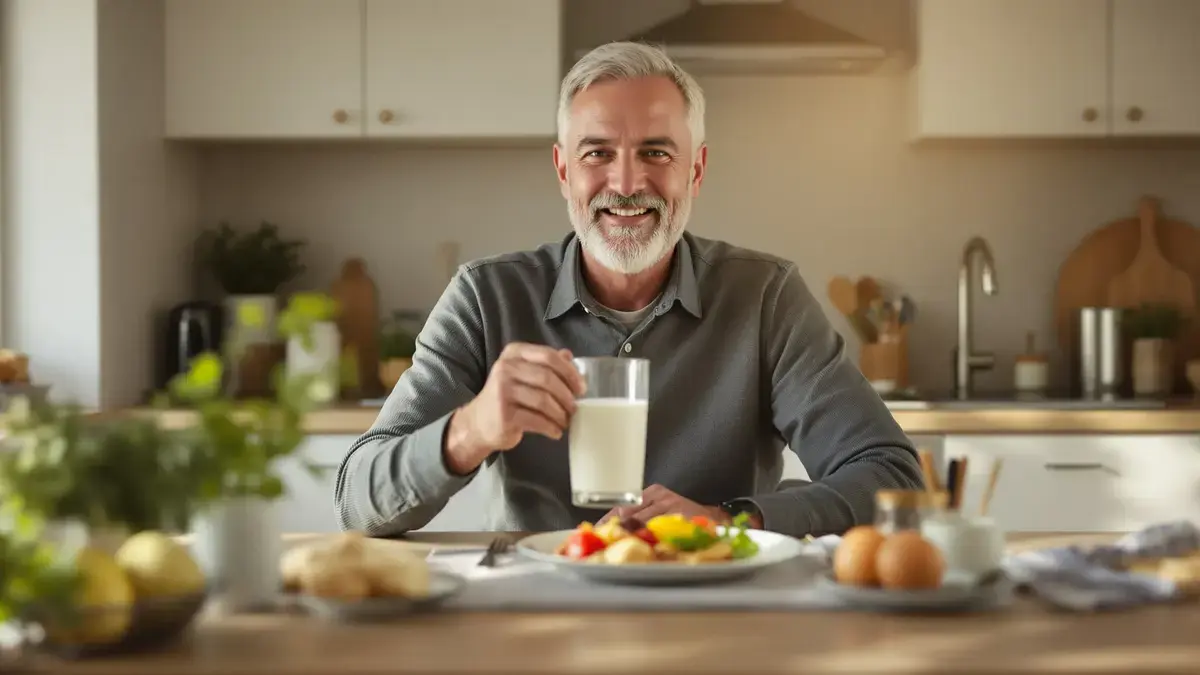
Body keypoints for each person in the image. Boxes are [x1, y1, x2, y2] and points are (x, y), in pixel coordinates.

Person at [334, 41, 924, 539]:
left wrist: (726, 522)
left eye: (656, 152)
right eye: (598, 153)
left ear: (695, 169)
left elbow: (892, 477)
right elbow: (357, 500)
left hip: (715, 600)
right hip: (539, 608)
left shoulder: (766, 298)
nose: (625, 182)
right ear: (564, 170)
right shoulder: (486, 298)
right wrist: (469, 430)